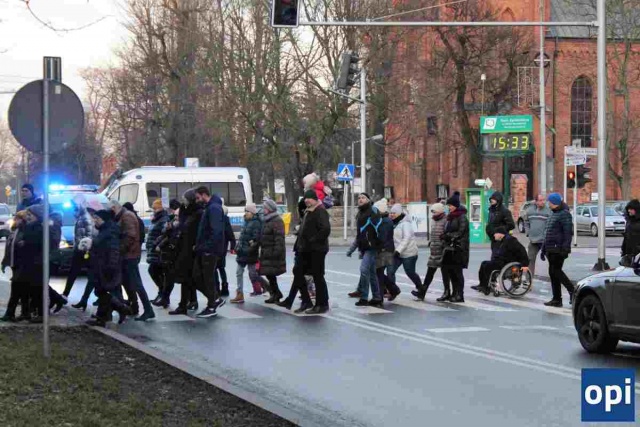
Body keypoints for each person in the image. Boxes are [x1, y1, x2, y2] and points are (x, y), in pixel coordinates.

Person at [277, 190, 331, 314]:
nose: (307, 200)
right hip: (305, 249)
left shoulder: (320, 211)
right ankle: (306, 301)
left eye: (309, 198)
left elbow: (325, 229)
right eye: (305, 198)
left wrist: (313, 240)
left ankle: (322, 304)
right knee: (298, 272)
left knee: (317, 276)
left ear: (315, 199)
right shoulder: (309, 210)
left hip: (316, 250)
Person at [84, 209, 132, 327]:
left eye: (97, 218)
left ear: (104, 220)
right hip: (101, 265)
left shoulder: (110, 232)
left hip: (107, 267)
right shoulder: (104, 230)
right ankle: (105, 316)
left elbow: (114, 250)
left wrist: (111, 267)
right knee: (101, 291)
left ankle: (119, 309)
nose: (94, 220)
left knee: (102, 291)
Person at [111, 200, 155, 321]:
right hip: (128, 255)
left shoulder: (127, 216)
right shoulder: (125, 215)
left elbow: (130, 236)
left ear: (114, 208)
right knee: (130, 283)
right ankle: (138, 307)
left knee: (136, 284)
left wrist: (120, 249)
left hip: (130, 255)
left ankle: (148, 309)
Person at [192, 186, 227, 318]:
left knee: (207, 278)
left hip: (209, 251)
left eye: (198, 198)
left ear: (204, 195)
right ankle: (214, 300)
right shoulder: (211, 207)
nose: (197, 201)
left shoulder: (213, 208)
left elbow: (216, 231)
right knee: (199, 277)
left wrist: (207, 247)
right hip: (205, 249)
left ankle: (212, 305)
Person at [168, 189, 202, 315]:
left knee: (189, 278)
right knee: (186, 278)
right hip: (183, 247)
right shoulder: (185, 210)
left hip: (190, 249)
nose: (183, 201)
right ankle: (188, 302)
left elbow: (189, 228)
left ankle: (212, 299)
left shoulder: (197, 212)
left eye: (185, 199)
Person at [347, 192, 382, 307]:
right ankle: (377, 297)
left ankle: (364, 297)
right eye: (359, 198)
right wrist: (352, 249)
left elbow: (379, 228)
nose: (360, 199)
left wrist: (379, 243)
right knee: (372, 273)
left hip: (371, 247)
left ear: (368, 200)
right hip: (365, 247)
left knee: (364, 270)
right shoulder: (360, 213)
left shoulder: (373, 211)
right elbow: (360, 234)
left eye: (363, 198)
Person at [472, 226, 529, 295]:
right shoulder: (501, 241)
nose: (494, 235)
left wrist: (525, 264)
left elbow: (522, 251)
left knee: (487, 266)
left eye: (495, 234)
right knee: (484, 263)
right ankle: (482, 285)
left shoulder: (511, 241)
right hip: (501, 262)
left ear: (500, 234)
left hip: (506, 264)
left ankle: (486, 287)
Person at [541, 193, 575, 307]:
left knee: (556, 271)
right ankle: (556, 299)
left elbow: (567, 233)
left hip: (558, 248)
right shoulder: (552, 213)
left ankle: (572, 290)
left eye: (549, 201)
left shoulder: (564, 214)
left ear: (554, 202)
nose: (548, 203)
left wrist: (565, 249)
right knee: (552, 273)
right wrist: (543, 248)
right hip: (550, 248)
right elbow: (547, 233)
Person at [412, 203, 451, 302]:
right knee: (429, 273)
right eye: (432, 212)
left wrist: (443, 244)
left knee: (445, 273)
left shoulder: (446, 220)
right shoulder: (433, 220)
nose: (433, 213)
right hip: (434, 250)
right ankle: (422, 293)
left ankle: (447, 292)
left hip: (442, 250)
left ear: (440, 211)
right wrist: (431, 242)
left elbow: (447, 234)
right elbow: (432, 233)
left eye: (435, 211)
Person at [230, 203, 265, 303]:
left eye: (248, 211)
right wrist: (237, 247)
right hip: (242, 252)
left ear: (252, 213)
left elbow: (256, 239)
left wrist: (250, 247)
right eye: (245, 211)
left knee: (253, 274)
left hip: (250, 253)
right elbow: (242, 237)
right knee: (239, 273)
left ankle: (267, 287)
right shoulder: (245, 221)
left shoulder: (256, 223)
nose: (246, 213)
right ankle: (240, 294)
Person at [62, 195, 97, 299]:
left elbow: (89, 235)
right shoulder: (80, 217)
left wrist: (84, 247)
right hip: (80, 249)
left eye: (75, 206)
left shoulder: (85, 217)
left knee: (90, 274)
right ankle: (67, 295)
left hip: (84, 250)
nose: (74, 208)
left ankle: (80, 297)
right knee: (75, 273)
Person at [1, 211, 29, 321]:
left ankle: (10, 313)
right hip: (15, 265)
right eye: (15, 218)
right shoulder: (14, 231)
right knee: (22, 290)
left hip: (22, 265)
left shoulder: (26, 231)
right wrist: (4, 262)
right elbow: (9, 248)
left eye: (18, 219)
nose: (15, 220)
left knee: (16, 290)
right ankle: (25, 313)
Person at [441, 192, 469, 303]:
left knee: (457, 273)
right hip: (450, 248)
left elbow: (461, 232)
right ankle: (453, 293)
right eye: (448, 205)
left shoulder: (462, 217)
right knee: (450, 272)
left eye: (451, 205)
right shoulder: (451, 217)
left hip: (459, 248)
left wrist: (448, 236)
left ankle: (460, 294)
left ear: (456, 205)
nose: (449, 207)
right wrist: (445, 236)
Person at [388, 203, 422, 295]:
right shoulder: (393, 223)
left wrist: (398, 250)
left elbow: (406, 238)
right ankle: (393, 291)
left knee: (410, 273)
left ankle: (420, 288)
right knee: (390, 271)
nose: (392, 215)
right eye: (391, 213)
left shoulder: (405, 224)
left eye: (394, 213)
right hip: (397, 253)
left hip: (408, 253)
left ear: (399, 213)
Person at [258, 199, 286, 304]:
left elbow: (279, 238)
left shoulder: (276, 220)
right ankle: (275, 293)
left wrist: (276, 252)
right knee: (269, 274)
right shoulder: (267, 220)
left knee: (270, 274)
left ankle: (276, 293)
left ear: (269, 209)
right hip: (266, 251)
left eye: (265, 208)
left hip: (272, 252)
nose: (263, 209)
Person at [154, 199, 182, 305]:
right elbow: (166, 234)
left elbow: (171, 238)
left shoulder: (180, 226)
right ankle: (165, 298)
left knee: (174, 278)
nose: (175, 217)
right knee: (168, 277)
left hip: (175, 254)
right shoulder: (172, 222)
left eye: (177, 216)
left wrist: (160, 245)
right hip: (169, 254)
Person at [146, 199, 170, 308]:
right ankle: (161, 294)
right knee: (155, 271)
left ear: (160, 208)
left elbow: (164, 234)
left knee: (154, 271)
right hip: (154, 250)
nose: (154, 210)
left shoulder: (163, 219)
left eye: (155, 208)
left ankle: (163, 295)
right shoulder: (156, 219)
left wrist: (158, 245)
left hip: (159, 251)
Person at [373, 199, 397, 307]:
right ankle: (393, 289)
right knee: (379, 273)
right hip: (386, 249)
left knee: (378, 273)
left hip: (384, 250)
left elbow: (381, 237)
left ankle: (380, 298)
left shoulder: (384, 221)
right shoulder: (384, 220)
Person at [523, 194, 552, 277]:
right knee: (530, 260)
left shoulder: (548, 211)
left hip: (545, 242)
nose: (543, 202)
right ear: (536, 201)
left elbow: (550, 225)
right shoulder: (529, 210)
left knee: (552, 260)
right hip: (533, 241)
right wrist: (528, 232)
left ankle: (554, 278)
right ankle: (528, 279)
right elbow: (526, 222)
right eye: (540, 200)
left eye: (544, 200)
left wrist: (546, 235)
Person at [218, 203, 236, 297]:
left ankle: (218, 288)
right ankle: (224, 288)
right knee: (221, 268)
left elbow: (230, 235)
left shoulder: (221, 219)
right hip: (222, 248)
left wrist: (233, 246)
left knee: (216, 269)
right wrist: (232, 246)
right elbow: (231, 235)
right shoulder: (225, 219)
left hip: (218, 248)